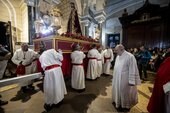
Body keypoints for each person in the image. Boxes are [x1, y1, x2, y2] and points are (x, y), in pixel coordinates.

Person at [112, 44, 141, 112]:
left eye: (116, 50)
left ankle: (125, 106)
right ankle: (118, 103)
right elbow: (116, 67)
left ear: (122, 49)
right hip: (117, 78)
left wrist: (131, 81)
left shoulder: (130, 56)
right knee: (117, 90)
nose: (115, 52)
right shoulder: (118, 56)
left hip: (125, 79)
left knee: (124, 92)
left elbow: (132, 69)